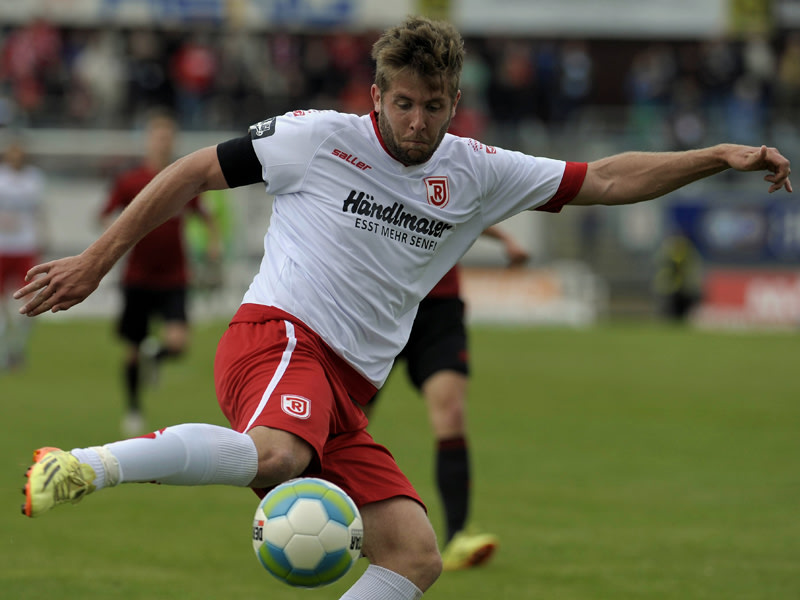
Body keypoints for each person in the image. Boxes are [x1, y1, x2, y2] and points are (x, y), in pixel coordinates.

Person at [15, 15, 791, 600]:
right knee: (280, 456)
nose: (419, 124)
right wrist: (94, 261)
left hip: (347, 389)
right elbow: (189, 172)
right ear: (378, 95)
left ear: (458, 102)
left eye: (436, 107)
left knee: (414, 554)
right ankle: (84, 465)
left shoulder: (478, 168)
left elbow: (610, 179)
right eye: (406, 104)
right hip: (279, 336)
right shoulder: (316, 138)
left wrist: (716, 157)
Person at [363, 225, 529, 571]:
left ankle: (457, 538)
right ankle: (314, 511)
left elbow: (471, 204)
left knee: (451, 414)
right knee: (348, 421)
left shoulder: (445, 171)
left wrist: (507, 239)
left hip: (439, 313)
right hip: (381, 306)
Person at [98, 110, 220, 436]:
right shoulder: (131, 181)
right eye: (158, 136)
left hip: (174, 275)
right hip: (137, 276)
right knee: (132, 349)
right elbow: (105, 214)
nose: (163, 142)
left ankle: (159, 355)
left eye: (168, 136)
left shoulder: (183, 178)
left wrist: (212, 243)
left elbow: (204, 215)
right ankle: (134, 409)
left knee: (179, 343)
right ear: (148, 140)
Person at [0, 138, 46, 370]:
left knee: (30, 304)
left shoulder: (34, 179)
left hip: (25, 247)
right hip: (2, 248)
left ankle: (17, 348)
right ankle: (3, 351)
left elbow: (39, 211)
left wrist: (44, 237)